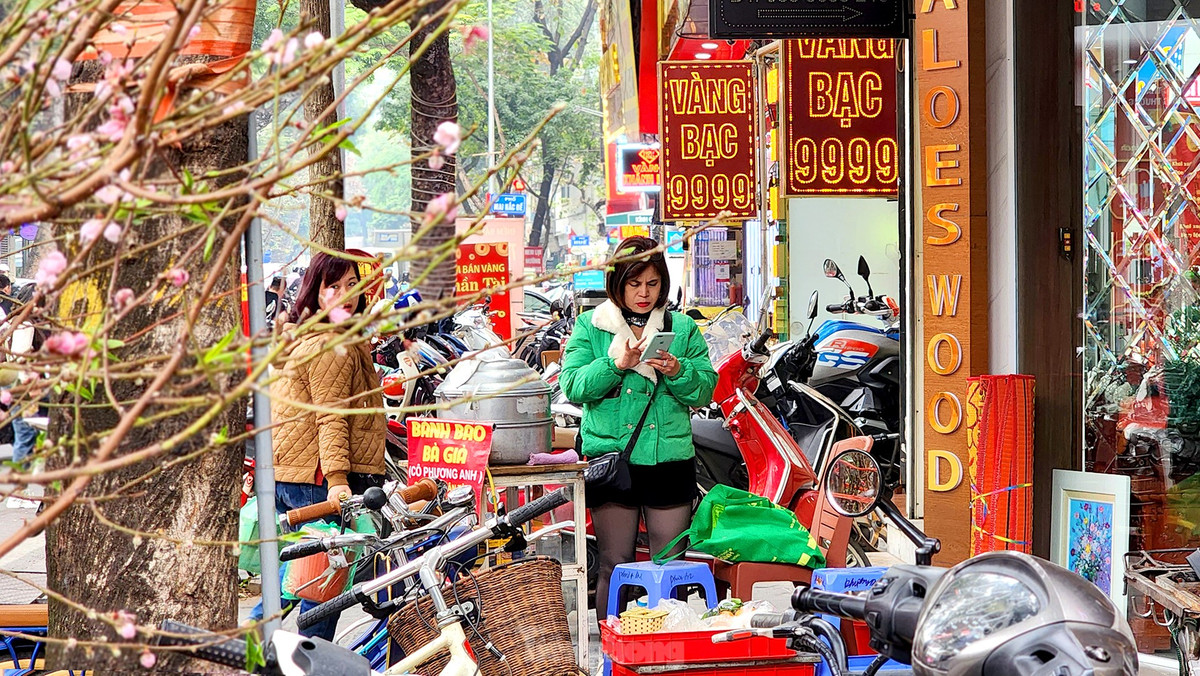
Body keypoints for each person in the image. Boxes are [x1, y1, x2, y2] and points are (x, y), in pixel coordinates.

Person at [558, 236, 717, 625]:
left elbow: (706, 387)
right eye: (634, 284)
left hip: (669, 459)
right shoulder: (592, 326)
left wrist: (678, 371)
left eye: (652, 283)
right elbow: (573, 385)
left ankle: (666, 646)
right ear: (617, 283)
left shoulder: (681, 328)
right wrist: (616, 363)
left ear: (663, 283)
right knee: (615, 563)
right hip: (613, 463)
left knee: (669, 563)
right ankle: (613, 651)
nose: (644, 293)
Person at [247, 252, 387, 640]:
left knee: (292, 583)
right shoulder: (330, 345)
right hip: (318, 478)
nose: (345, 294)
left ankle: (245, 650)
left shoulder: (308, 334)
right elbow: (330, 417)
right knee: (321, 589)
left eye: (351, 285)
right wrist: (339, 480)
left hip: (294, 475)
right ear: (316, 289)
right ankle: (305, 661)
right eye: (333, 286)